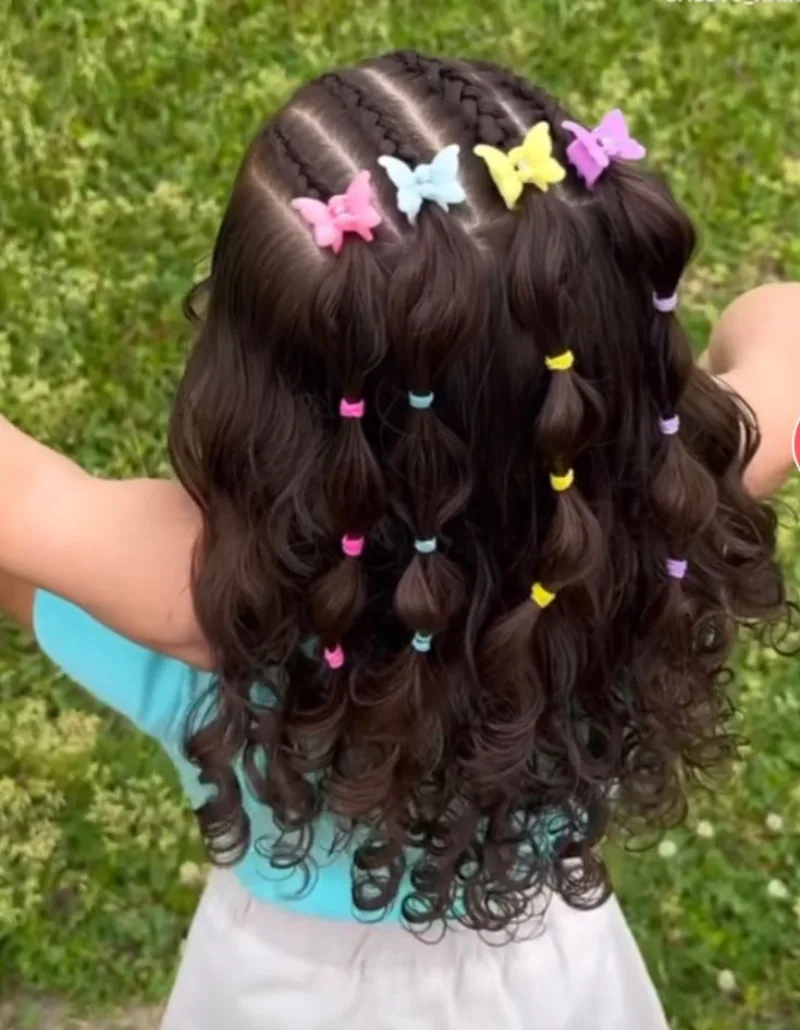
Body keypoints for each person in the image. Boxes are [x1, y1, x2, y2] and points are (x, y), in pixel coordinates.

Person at [0, 51, 797, 1029]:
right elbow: (785, 325)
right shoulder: (662, 512)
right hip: (552, 988)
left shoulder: (208, 597)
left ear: (253, 398)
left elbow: (21, 505)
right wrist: (676, 412)